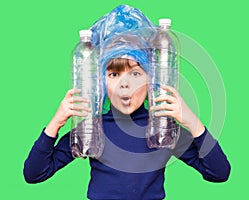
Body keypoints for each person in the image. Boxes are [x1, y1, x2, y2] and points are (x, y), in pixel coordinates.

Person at [23, 5, 231, 200]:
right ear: (100, 82)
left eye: (136, 73)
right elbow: (34, 174)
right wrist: (55, 123)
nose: (125, 84)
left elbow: (219, 173)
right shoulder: (92, 129)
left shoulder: (163, 131)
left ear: (152, 79)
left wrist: (193, 122)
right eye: (114, 74)